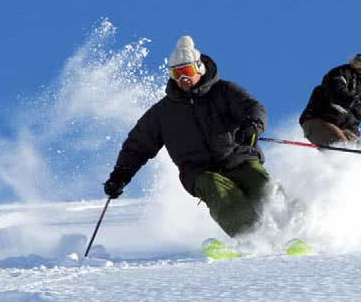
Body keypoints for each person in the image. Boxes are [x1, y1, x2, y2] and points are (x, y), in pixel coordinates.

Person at [103, 36, 273, 238]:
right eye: (177, 73)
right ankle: (253, 238)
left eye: (187, 71)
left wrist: (253, 126)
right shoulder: (163, 113)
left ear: (199, 69)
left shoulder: (225, 91)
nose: (183, 78)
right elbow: (137, 146)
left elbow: (253, 108)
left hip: (238, 157)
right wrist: (119, 177)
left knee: (260, 185)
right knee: (219, 190)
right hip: (198, 171)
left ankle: (294, 228)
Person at [299, 45, 361, 146]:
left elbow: (358, 118)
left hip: (342, 128)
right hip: (317, 121)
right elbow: (335, 91)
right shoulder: (343, 73)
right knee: (342, 145)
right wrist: (353, 102)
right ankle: (341, 154)